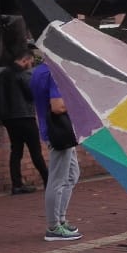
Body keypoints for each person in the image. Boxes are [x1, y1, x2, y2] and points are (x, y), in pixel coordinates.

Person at [31, 61, 82, 242]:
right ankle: (53, 226)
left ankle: (60, 219)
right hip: (59, 132)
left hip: (55, 131)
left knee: (72, 175)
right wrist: (76, 98)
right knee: (58, 179)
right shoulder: (56, 73)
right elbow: (58, 106)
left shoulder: (39, 71)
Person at [0, 48, 49, 194]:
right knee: (35, 151)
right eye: (30, 62)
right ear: (24, 60)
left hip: (8, 118)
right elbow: (31, 95)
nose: (30, 65)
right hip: (24, 116)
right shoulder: (22, 75)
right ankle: (48, 180)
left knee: (16, 151)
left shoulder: (0, 76)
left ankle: (17, 184)